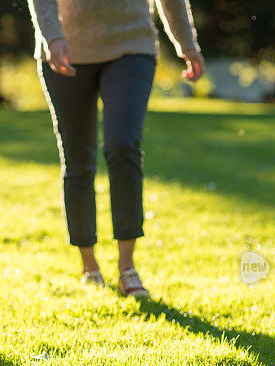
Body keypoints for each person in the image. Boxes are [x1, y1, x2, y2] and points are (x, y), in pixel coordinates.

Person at [28, 0, 205, 298]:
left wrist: (186, 43)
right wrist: (52, 36)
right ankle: (89, 266)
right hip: (65, 45)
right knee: (78, 159)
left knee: (123, 145)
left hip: (132, 44)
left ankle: (127, 266)